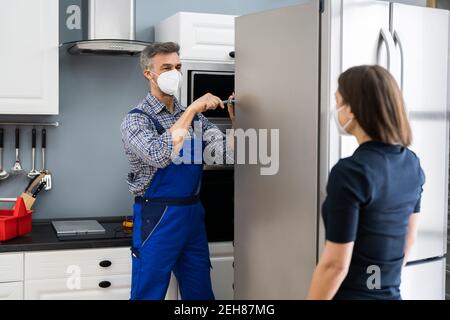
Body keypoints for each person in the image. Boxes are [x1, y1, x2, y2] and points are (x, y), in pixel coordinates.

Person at [121, 42, 234, 300]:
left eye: (178, 67)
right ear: (149, 73)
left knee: (200, 293)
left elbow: (226, 155)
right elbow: (159, 156)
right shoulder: (136, 120)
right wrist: (192, 109)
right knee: (148, 293)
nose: (175, 73)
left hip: (192, 215)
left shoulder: (195, 119)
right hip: (157, 216)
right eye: (167, 67)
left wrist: (236, 119)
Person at [307, 65, 425, 300]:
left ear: (351, 110)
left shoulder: (350, 172)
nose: (336, 110)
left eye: (338, 101)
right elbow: (407, 242)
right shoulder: (411, 164)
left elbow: (335, 266)